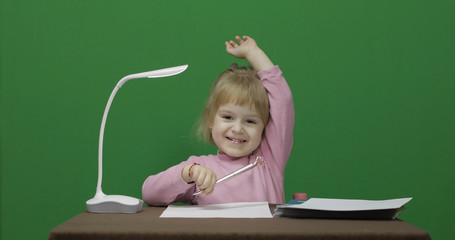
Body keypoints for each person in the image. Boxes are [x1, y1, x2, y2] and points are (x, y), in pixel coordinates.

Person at [142, 35, 294, 206]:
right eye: (228, 117)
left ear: (265, 127)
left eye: (250, 121)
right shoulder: (199, 167)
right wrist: (187, 174)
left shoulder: (269, 159)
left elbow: (282, 100)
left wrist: (253, 53)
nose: (237, 129)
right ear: (210, 120)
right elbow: (149, 193)